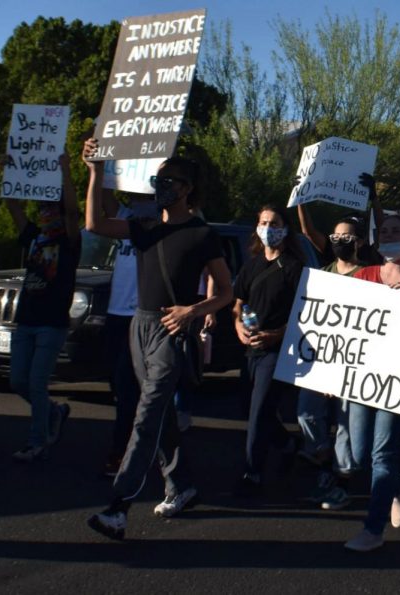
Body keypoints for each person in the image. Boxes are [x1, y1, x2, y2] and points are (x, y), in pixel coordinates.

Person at [82, 140, 233, 540]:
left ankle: (118, 506)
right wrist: (96, 171)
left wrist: (193, 312)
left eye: (168, 180)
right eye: (157, 178)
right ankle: (180, 485)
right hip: (140, 326)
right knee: (160, 414)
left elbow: (225, 292)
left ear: (185, 189)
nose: (159, 184)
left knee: (146, 415)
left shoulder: (202, 234)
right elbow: (96, 224)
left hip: (171, 330)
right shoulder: (145, 227)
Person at [344, 214, 400, 552]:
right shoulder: (364, 276)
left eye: (397, 231)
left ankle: (373, 529)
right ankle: (397, 484)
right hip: (361, 375)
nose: (389, 236)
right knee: (360, 452)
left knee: (383, 451)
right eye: (384, 232)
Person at [4, 154, 80, 462]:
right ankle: (54, 412)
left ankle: (37, 441)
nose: (45, 214)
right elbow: (13, 205)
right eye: (43, 209)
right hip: (26, 320)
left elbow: (75, 212)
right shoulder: (34, 238)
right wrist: (12, 170)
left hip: (51, 322)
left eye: (51, 209)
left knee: (36, 382)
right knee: (18, 381)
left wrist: (65, 170)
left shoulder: (70, 242)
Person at [232, 204, 305, 497]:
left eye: (274, 223)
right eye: (263, 222)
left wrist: (275, 335)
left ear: (285, 229)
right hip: (250, 348)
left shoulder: (294, 267)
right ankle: (287, 445)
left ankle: (253, 471)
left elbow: (304, 314)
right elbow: (238, 303)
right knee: (246, 406)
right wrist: (238, 327)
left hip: (277, 351)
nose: (268, 228)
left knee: (259, 410)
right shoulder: (251, 265)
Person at [297, 216, 366, 510]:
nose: (340, 241)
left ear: (359, 242)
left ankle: (340, 484)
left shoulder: (367, 277)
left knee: (345, 427)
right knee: (306, 415)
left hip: (352, 367)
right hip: (321, 364)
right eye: (336, 236)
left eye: (347, 237)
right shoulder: (322, 274)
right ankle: (325, 464)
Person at [98, 190, 159, 476]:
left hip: (141, 315)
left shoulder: (159, 221)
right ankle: (147, 445)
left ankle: (122, 451)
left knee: (127, 390)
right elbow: (102, 201)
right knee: (117, 385)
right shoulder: (124, 217)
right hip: (115, 314)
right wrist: (97, 167)